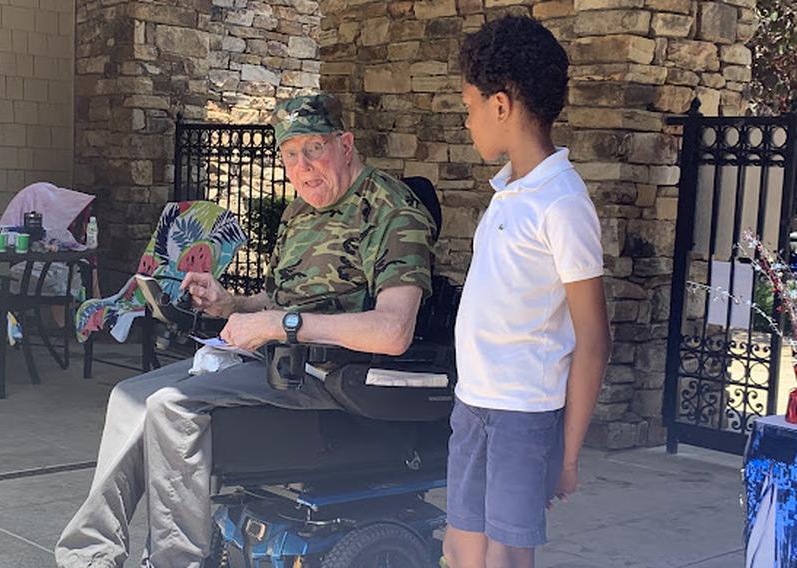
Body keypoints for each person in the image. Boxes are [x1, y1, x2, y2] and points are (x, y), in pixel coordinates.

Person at [55, 93, 437, 568]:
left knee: (173, 407)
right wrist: (230, 304)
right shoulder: (300, 213)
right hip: (276, 362)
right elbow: (278, 300)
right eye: (290, 155)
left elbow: (392, 331)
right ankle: (89, 557)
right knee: (129, 397)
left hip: (336, 376)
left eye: (313, 149)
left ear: (344, 143)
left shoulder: (393, 211)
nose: (303, 167)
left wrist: (281, 325)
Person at [443, 16, 612, 568]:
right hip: (474, 404)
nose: (467, 121)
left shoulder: (561, 203)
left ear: (500, 106)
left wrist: (566, 457)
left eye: (469, 107)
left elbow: (593, 339)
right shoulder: (508, 194)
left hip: (523, 415)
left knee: (506, 555)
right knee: (461, 546)